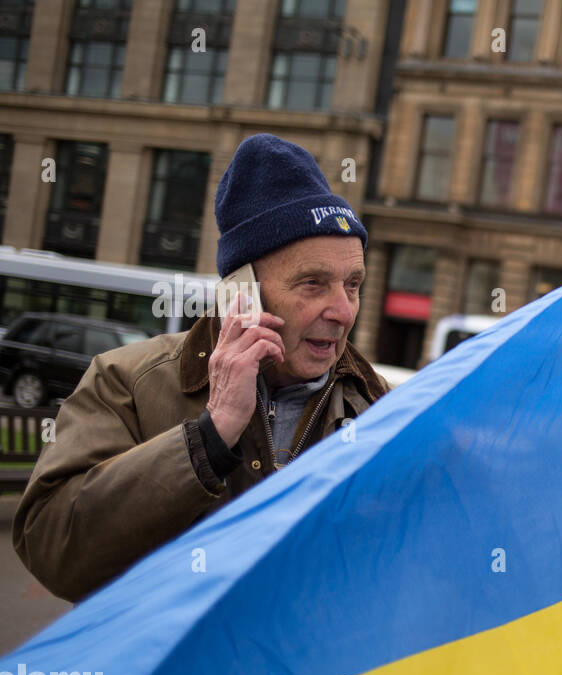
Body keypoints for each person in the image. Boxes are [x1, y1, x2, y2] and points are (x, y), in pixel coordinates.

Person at [13, 134, 390, 602]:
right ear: (242, 293)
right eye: (313, 284)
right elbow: (52, 547)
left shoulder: (381, 409)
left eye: (352, 285)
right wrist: (209, 441)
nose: (343, 310)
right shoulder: (127, 382)